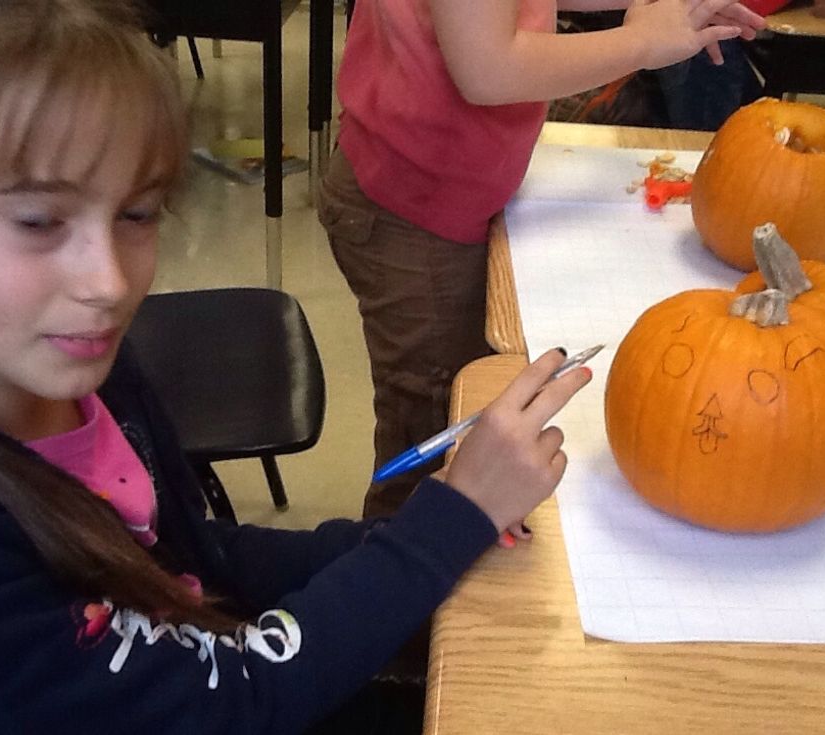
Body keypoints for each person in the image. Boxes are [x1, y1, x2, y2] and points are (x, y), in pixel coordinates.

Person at [0, 0, 591, 731]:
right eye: (39, 222)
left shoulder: (94, 378)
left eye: (136, 215)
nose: (107, 283)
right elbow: (239, 699)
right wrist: (445, 524)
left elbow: (201, 558)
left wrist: (439, 518)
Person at [318, 0, 767, 519]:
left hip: (439, 197)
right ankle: (395, 570)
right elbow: (488, 69)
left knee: (459, 409)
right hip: (414, 217)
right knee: (437, 425)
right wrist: (641, 42)